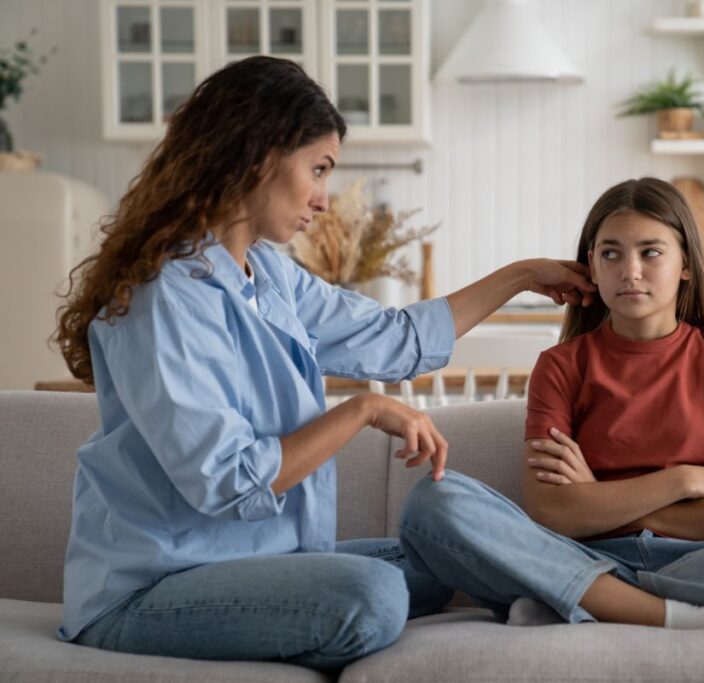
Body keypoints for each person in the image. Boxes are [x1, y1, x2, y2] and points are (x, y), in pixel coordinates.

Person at [53, 55, 595, 671]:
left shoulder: (271, 274)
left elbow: (393, 340)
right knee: (373, 594)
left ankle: (607, 592)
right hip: (154, 586)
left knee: (439, 556)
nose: (323, 199)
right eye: (318, 169)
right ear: (258, 154)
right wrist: (361, 410)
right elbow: (228, 480)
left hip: (260, 564)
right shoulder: (163, 296)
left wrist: (523, 275)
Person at [398, 177, 704, 629]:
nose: (630, 271)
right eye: (611, 254)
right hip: (584, 556)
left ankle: (589, 601)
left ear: (686, 264)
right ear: (591, 265)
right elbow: (551, 513)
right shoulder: (561, 365)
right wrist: (685, 480)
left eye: (650, 252)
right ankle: (683, 615)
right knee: (435, 503)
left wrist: (606, 503)